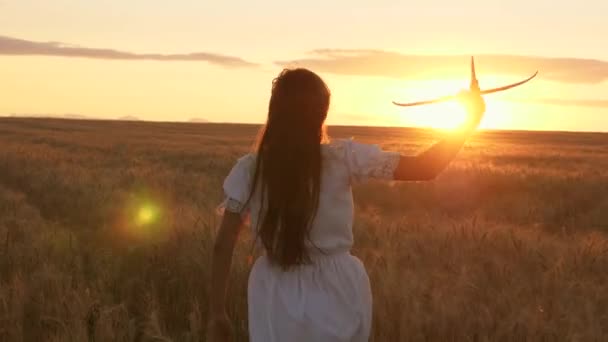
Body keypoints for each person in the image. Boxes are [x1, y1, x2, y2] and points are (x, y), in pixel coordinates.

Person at [206, 68, 486, 342]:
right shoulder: (343, 158)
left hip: (274, 293)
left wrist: (217, 312)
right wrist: (470, 119)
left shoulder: (249, 170)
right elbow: (426, 167)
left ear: (274, 111)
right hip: (337, 290)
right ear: (322, 114)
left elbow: (223, 244)